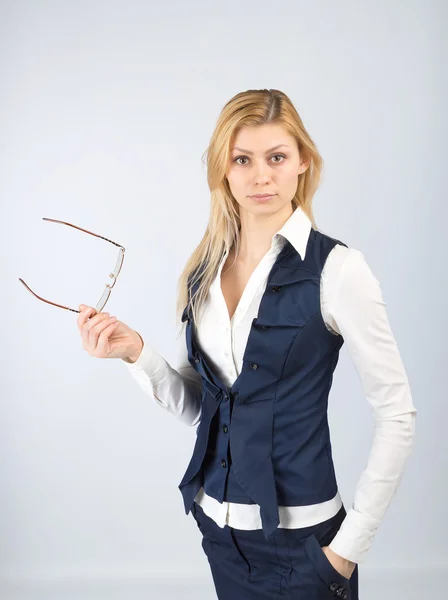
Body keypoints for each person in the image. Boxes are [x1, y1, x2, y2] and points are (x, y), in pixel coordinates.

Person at [77, 88, 417, 599]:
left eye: (276, 157)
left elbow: (397, 414)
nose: (261, 176)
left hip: (307, 546)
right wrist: (135, 352)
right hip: (220, 537)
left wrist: (345, 552)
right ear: (223, 169)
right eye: (243, 159)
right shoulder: (203, 273)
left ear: (302, 162)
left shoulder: (339, 271)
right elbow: (204, 410)